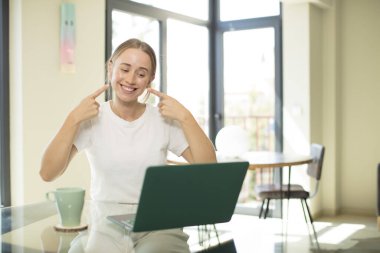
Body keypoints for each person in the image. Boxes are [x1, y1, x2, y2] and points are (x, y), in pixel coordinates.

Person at [39, 38, 217, 252]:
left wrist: (186, 118)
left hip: (157, 223)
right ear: (110, 67)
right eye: (124, 69)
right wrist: (72, 119)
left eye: (141, 74)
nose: (131, 79)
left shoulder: (163, 119)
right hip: (106, 222)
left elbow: (209, 168)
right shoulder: (91, 118)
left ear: (150, 80)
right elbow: (48, 172)